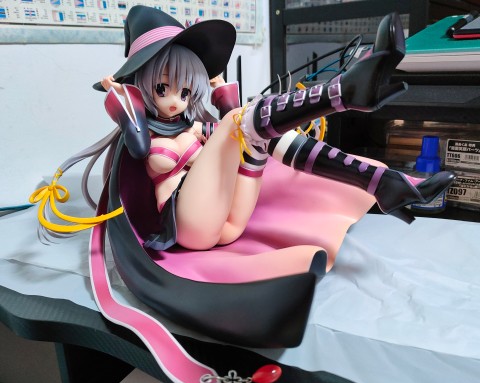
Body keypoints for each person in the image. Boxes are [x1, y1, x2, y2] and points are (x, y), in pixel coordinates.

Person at [97, 6, 455, 256]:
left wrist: (222, 95)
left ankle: (382, 183)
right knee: (237, 122)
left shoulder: (193, 127)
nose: (176, 101)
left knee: (254, 131)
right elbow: (139, 145)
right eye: (163, 88)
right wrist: (120, 95)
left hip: (227, 223)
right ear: (141, 86)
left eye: (186, 90)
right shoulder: (144, 132)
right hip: (188, 227)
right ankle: (342, 94)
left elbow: (234, 124)